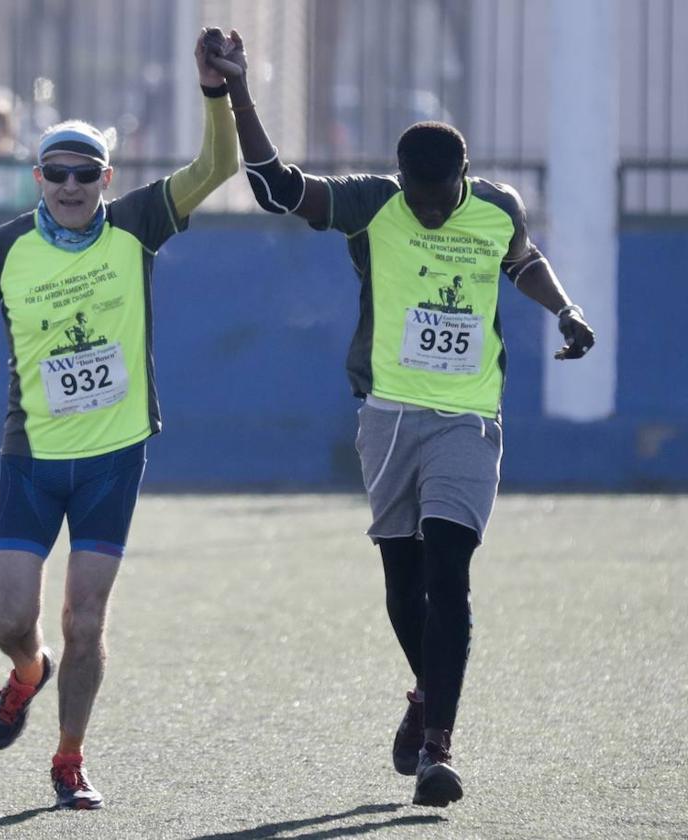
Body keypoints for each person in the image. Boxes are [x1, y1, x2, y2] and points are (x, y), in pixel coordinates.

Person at [204, 34, 596, 808]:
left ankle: (439, 752)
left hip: (468, 419)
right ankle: (423, 694)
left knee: (450, 575)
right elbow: (278, 189)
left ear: (463, 179)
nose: (425, 207)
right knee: (402, 583)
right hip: (385, 416)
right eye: (416, 195)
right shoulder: (371, 203)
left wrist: (567, 310)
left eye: (438, 197)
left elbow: (521, 259)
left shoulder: (495, 209)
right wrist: (239, 92)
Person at [0, 27, 240, 811]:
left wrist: (216, 92)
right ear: (37, 177)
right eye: (55, 173)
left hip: (115, 455)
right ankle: (27, 672)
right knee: (9, 619)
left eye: (82, 174)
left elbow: (219, 167)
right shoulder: (6, 248)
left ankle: (67, 759)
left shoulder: (135, 224)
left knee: (85, 619)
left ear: (104, 178)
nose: (68, 185)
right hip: (32, 457)